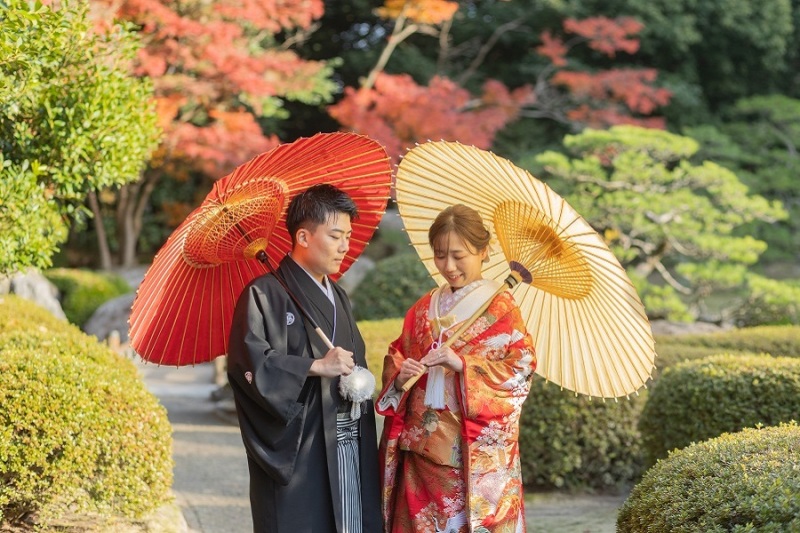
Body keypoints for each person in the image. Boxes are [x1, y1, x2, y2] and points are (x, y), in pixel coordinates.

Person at [227, 183, 381, 532]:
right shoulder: (263, 295)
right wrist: (313, 366)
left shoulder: (337, 295)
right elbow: (248, 366)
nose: (345, 246)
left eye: (348, 236)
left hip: (347, 440)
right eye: (336, 235)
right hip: (300, 447)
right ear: (304, 237)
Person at [376, 204, 537, 532]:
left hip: (468, 454)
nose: (448, 266)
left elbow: (522, 367)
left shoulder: (501, 308)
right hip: (419, 448)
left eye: (458, 255)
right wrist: (401, 374)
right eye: (440, 255)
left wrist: (464, 364)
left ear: (483, 251)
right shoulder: (425, 306)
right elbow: (398, 352)